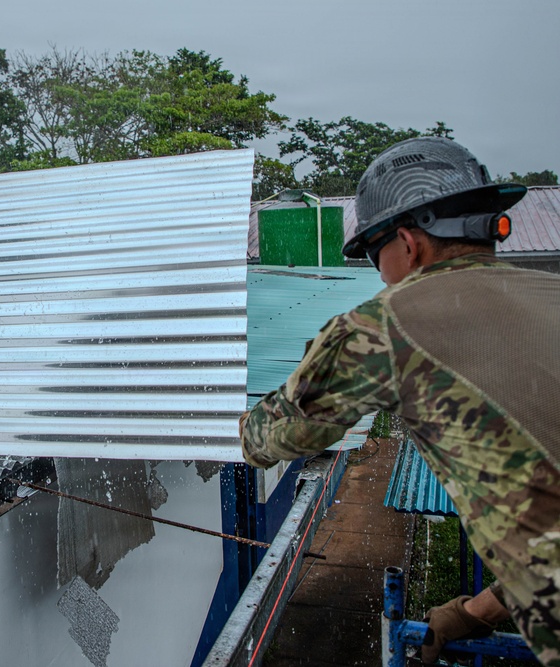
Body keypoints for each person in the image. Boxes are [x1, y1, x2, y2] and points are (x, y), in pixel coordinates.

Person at [240, 137, 560, 665]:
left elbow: (278, 434)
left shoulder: (383, 326)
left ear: (408, 243)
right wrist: (479, 611)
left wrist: (230, 426)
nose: (378, 272)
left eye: (372, 253)